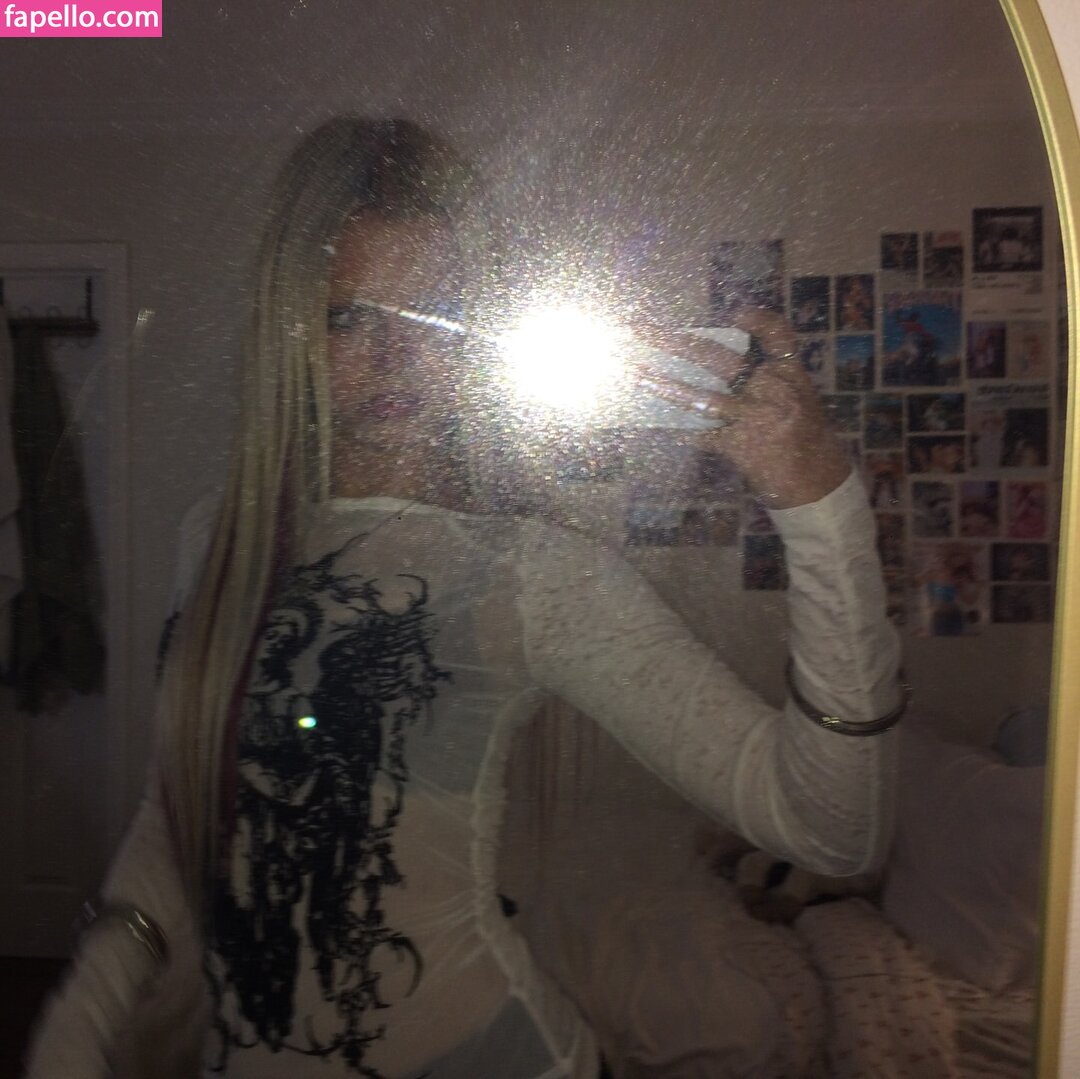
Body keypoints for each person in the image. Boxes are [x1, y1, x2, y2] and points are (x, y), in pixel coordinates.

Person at [25, 117, 902, 1079]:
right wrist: (82, 1018)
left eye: (434, 314)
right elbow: (182, 808)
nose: (398, 357)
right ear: (290, 329)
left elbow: (830, 830)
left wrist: (820, 503)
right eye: (351, 317)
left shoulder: (531, 573)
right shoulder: (218, 540)